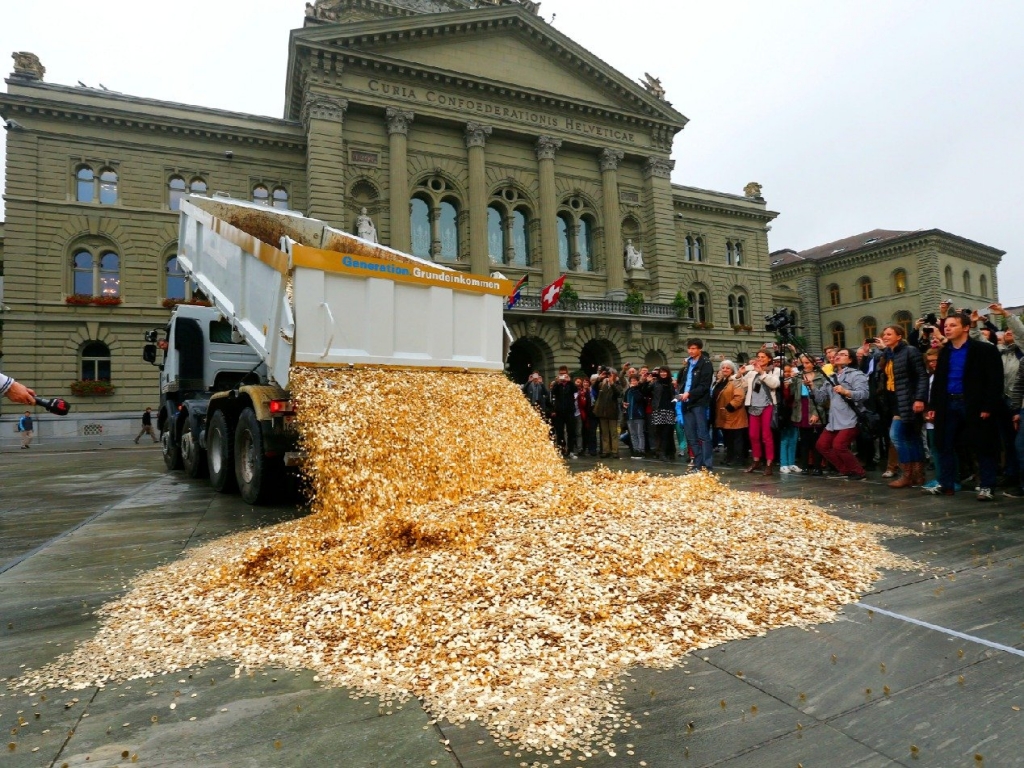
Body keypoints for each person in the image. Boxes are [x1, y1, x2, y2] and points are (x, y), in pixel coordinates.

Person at [925, 311, 1003, 500]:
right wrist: (933, 405)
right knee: (944, 443)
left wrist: (988, 406)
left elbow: (995, 380)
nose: (948, 328)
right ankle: (947, 483)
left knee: (983, 445)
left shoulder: (984, 350)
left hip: (974, 404)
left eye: (953, 325)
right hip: (948, 403)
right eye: (947, 326)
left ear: (966, 327)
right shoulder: (945, 352)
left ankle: (987, 486)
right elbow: (939, 381)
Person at [875, 325, 928, 488]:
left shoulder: (910, 351)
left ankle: (907, 474)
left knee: (897, 435)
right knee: (912, 437)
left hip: (907, 399)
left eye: (889, 334)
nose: (885, 336)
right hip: (893, 400)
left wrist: (919, 398)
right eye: (884, 334)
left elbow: (921, 375)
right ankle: (917, 475)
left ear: (899, 336)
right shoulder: (888, 354)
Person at [811, 348, 870, 480]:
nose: (838, 356)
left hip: (850, 417)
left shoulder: (857, 375)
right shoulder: (831, 377)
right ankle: (845, 470)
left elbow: (864, 394)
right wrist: (812, 387)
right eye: (837, 354)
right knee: (822, 445)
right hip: (834, 419)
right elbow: (821, 399)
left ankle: (858, 472)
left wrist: (846, 392)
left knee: (839, 445)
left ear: (850, 359)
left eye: (843, 355)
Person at [676, 338, 715, 471]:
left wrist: (690, 394)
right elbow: (684, 382)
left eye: (694, 348)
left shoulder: (706, 363)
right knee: (690, 434)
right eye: (690, 348)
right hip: (686, 402)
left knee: (703, 434)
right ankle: (698, 463)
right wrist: (680, 393)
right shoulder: (688, 364)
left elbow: (704, 386)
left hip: (698, 402)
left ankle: (707, 464)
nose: (691, 351)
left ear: (699, 349)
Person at [740, 349, 780, 475]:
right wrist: (740, 374)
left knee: (766, 436)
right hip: (754, 406)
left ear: (769, 359)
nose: (760, 359)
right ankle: (756, 460)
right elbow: (743, 385)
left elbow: (775, 384)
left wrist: (762, 373)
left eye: (763, 357)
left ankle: (769, 463)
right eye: (758, 357)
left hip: (767, 405)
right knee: (753, 435)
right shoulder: (752, 372)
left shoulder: (775, 370)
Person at [712, 360, 747, 466]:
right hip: (723, 414)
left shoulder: (735, 380)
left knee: (736, 438)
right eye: (723, 368)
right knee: (728, 438)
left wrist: (729, 407)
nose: (725, 369)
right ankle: (729, 457)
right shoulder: (721, 381)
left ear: (732, 370)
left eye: (728, 368)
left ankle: (738, 459)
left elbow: (739, 396)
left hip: (735, 413)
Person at [646, 366, 677, 462]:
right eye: (661, 372)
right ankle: (661, 452)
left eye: (665, 372)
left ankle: (666, 452)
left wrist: (674, 411)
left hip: (669, 410)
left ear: (668, 373)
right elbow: (646, 392)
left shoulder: (671, 384)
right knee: (659, 432)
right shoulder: (655, 383)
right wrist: (648, 382)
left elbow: (673, 397)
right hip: (658, 410)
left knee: (667, 433)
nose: (663, 374)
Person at [593, 369, 624, 459]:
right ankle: (606, 451)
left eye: (611, 374)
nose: (609, 376)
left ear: (615, 375)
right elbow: (594, 388)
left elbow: (618, 394)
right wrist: (599, 378)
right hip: (602, 412)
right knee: (605, 434)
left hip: (612, 413)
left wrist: (612, 383)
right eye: (608, 374)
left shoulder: (617, 385)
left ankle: (615, 451)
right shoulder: (602, 384)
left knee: (613, 433)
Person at [549, 366, 577, 459]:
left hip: (569, 411)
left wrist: (570, 381)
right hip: (559, 412)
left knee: (571, 432)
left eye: (564, 374)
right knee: (560, 432)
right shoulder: (558, 385)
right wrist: (557, 383)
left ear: (567, 373)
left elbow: (575, 390)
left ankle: (571, 451)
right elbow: (553, 392)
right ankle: (562, 450)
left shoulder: (570, 384)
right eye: (561, 374)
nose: (562, 376)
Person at [624, 374, 647, 459]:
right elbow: (624, 401)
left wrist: (634, 389)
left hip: (638, 415)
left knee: (639, 433)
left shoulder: (640, 390)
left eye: (634, 380)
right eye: (631, 381)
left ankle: (641, 450)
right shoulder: (628, 391)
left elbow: (639, 399)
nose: (633, 382)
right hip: (629, 415)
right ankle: (635, 450)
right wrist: (624, 405)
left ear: (637, 381)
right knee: (633, 434)